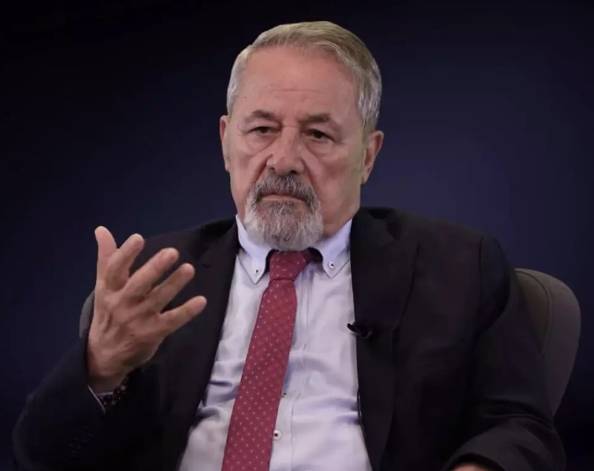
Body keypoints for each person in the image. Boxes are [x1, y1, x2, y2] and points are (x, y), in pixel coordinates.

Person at [13, 21, 564, 471]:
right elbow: (43, 456)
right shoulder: (157, 280)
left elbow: (520, 428)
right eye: (262, 130)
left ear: (367, 156)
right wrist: (100, 367)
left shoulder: (459, 267)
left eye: (318, 134)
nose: (283, 160)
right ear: (226, 142)